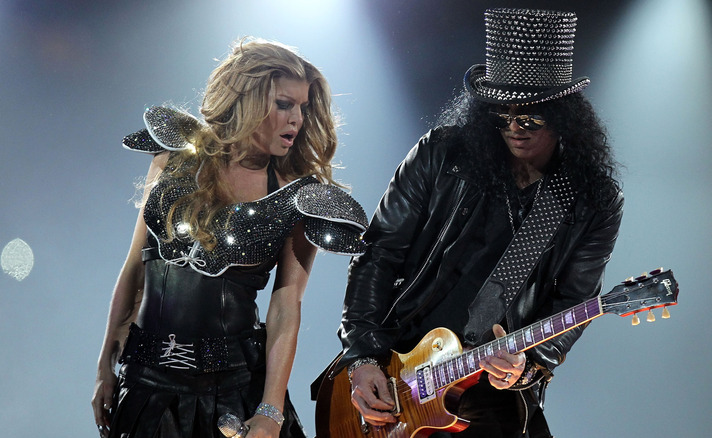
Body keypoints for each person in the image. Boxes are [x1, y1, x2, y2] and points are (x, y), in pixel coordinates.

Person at [330, 8, 622, 438]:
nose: (514, 129)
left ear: (566, 116)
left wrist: (527, 367)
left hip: (490, 389)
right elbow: (379, 254)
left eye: (530, 118)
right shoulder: (441, 154)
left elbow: (573, 303)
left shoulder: (592, 199)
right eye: (501, 116)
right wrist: (362, 358)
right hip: (400, 362)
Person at [91, 38, 367, 438]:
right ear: (247, 98)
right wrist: (103, 367)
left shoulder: (298, 195)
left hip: (233, 394)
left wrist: (271, 411)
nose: (298, 120)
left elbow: (286, 308)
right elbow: (136, 267)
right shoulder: (172, 157)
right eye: (285, 104)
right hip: (145, 388)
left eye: (304, 108)